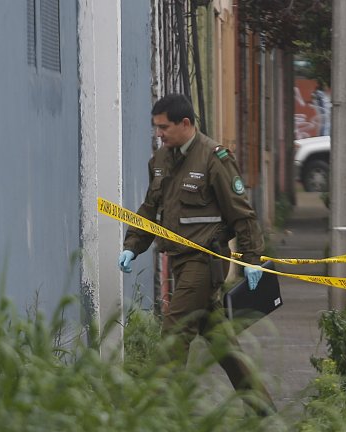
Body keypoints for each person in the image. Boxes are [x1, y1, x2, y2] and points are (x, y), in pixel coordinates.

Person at [117, 93, 273, 411]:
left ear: (185, 124)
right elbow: (150, 209)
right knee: (218, 339)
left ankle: (159, 412)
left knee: (175, 330)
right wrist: (132, 246)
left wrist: (253, 260)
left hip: (204, 260)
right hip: (179, 259)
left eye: (164, 127)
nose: (159, 133)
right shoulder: (160, 161)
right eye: (156, 128)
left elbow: (241, 213)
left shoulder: (214, 158)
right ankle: (261, 406)